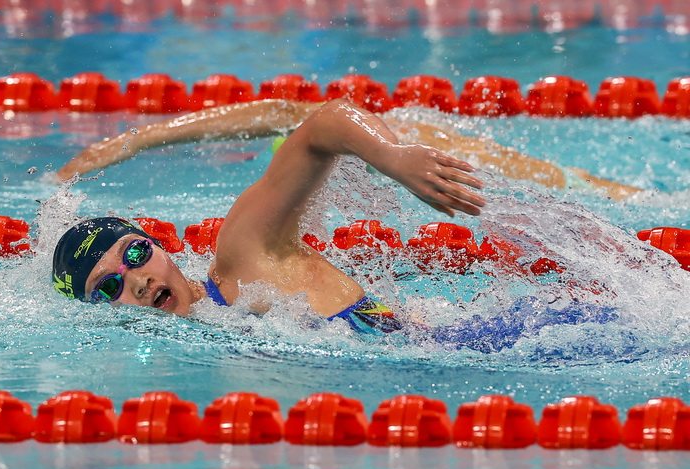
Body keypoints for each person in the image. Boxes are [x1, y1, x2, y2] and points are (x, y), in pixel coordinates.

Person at [51, 99, 632, 339]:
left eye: (134, 256)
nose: (138, 282)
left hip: (512, 336)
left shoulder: (243, 258)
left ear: (159, 246)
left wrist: (394, 158)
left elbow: (321, 122)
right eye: (108, 288)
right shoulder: (212, 331)